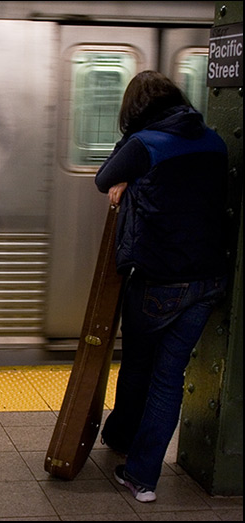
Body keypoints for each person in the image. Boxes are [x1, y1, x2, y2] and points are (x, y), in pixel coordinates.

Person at [95, 70, 228, 503]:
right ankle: (142, 478)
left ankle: (120, 435)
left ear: (134, 111)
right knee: (169, 378)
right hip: (207, 280)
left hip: (159, 280)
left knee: (137, 367)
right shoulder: (212, 140)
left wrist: (129, 168)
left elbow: (103, 178)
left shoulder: (144, 144)